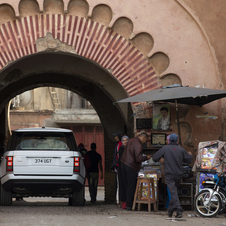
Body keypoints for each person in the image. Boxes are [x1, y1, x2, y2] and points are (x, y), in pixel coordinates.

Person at [152, 133, 193, 218]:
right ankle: (170, 211)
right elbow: (189, 159)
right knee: (174, 192)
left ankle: (178, 210)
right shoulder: (181, 149)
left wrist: (163, 158)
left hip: (169, 174)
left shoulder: (165, 148)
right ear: (177, 140)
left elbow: (155, 157)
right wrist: (190, 155)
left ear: (169, 140)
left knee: (173, 192)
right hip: (178, 174)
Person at [120, 131, 151, 211]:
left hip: (124, 164)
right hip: (131, 166)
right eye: (145, 140)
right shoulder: (138, 144)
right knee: (131, 186)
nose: (145, 142)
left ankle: (126, 203)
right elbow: (138, 158)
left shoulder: (131, 140)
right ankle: (130, 205)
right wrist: (146, 157)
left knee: (126, 185)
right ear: (143, 138)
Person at [111, 131, 123, 205]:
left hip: (119, 166)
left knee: (119, 184)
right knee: (117, 183)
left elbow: (118, 156)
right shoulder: (117, 145)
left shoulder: (120, 145)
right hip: (117, 166)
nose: (115, 137)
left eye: (116, 136)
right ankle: (118, 199)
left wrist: (116, 164)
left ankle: (119, 200)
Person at [118, 135, 129, 209]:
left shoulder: (130, 148)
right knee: (122, 185)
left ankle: (129, 201)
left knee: (128, 185)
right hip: (122, 169)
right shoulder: (121, 149)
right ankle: (123, 202)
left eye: (126, 140)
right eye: (123, 140)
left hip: (128, 169)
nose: (125, 141)